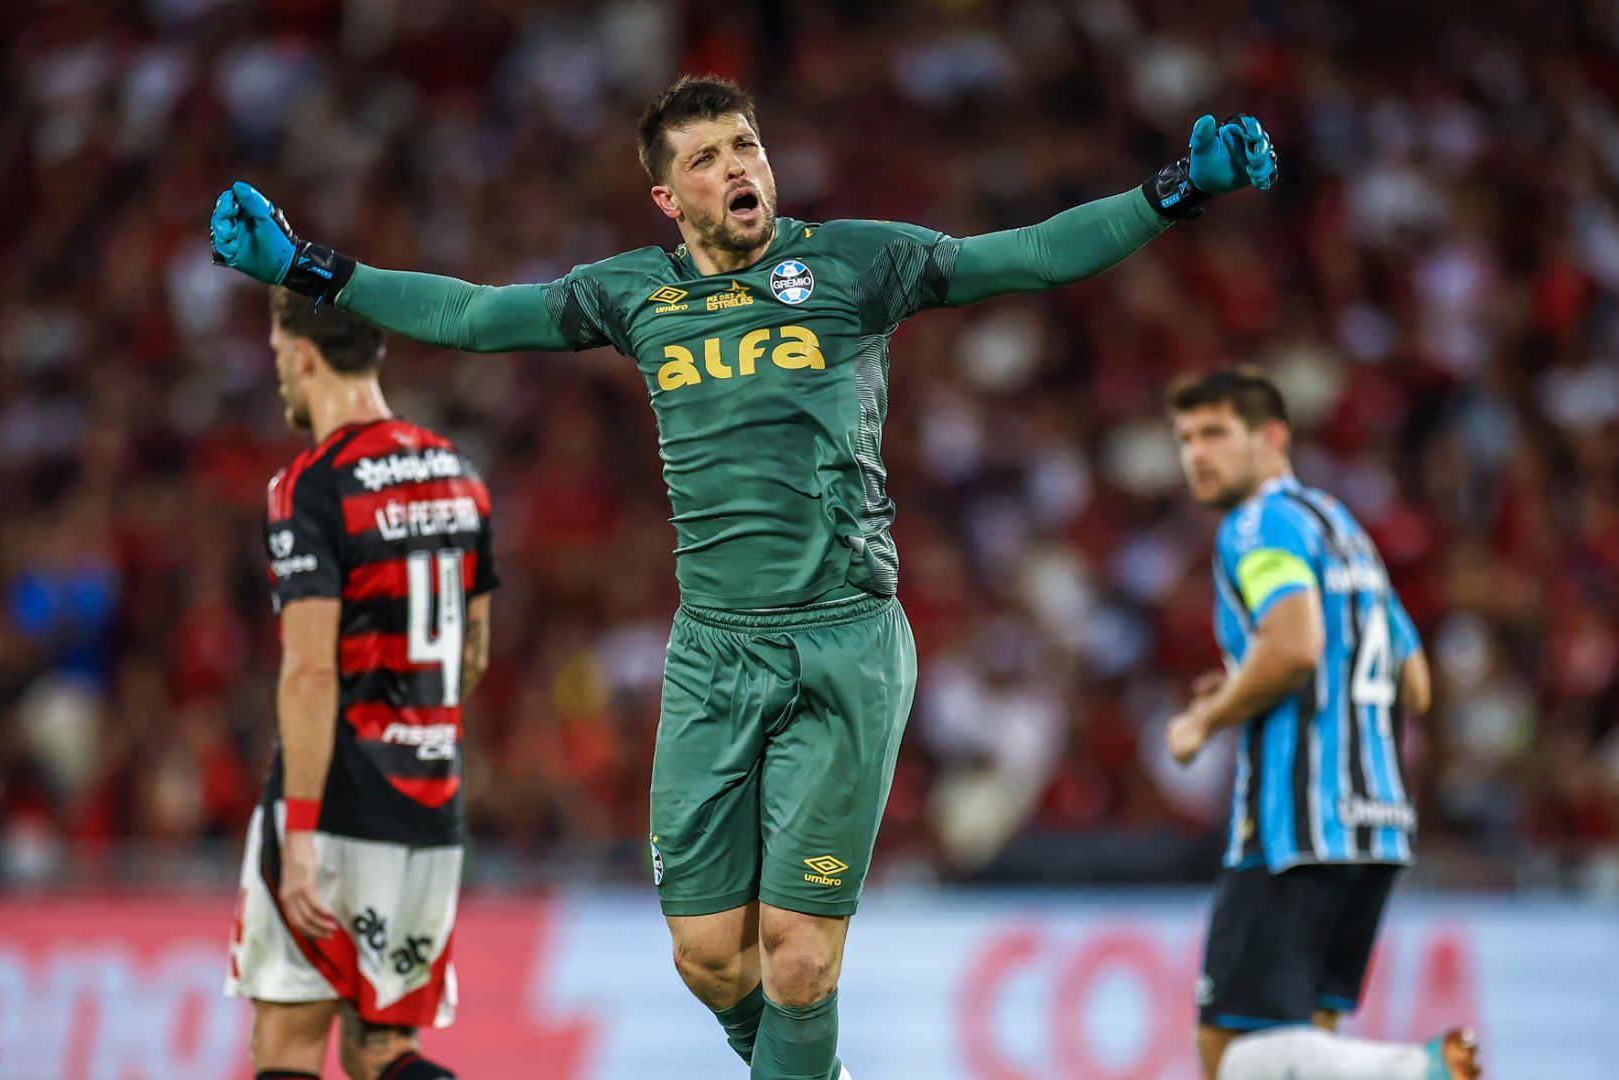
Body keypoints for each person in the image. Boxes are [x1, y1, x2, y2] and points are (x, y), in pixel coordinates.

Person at [210, 74, 1276, 1080]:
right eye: (711, 155)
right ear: (669, 197)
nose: (739, 166)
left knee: (801, 959)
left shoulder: (856, 265)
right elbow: (476, 317)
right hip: (714, 652)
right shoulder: (635, 294)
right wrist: (311, 267)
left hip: (843, 641)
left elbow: (1035, 254)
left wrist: (1174, 193)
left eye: (748, 145)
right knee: (712, 958)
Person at [1162, 369, 1480, 1080]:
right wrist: (1252, 677)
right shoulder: (1342, 528)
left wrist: (1207, 717)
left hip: (1294, 823)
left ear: (1272, 438)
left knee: (1227, 1053)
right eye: (1185, 439)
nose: (1196, 455)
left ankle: (1416, 1069)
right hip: (1376, 821)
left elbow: (1297, 646)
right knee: (1307, 1047)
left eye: (1215, 433)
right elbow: (1416, 683)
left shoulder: (1255, 524)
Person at [224, 289, 498, 1080]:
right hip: (431, 806)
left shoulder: (309, 484)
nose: (281, 378)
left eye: (279, 356)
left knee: (286, 1046)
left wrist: (301, 833)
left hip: (337, 801)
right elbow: (470, 657)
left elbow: (310, 671)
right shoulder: (460, 475)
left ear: (303, 355)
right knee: (384, 1049)